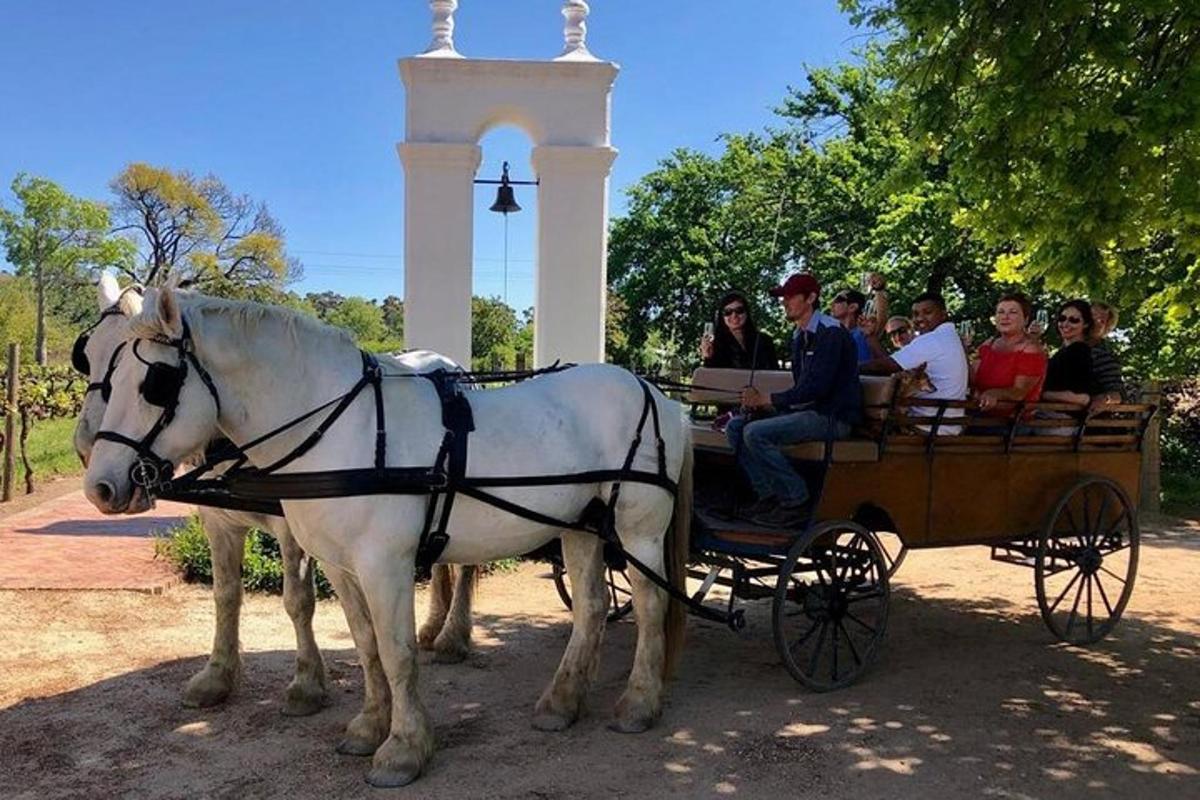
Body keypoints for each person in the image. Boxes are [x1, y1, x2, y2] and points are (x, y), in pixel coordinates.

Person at [725, 273, 862, 528]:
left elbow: (817, 389)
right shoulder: (799, 335)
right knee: (735, 427)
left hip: (832, 416)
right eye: (783, 298)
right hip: (809, 412)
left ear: (810, 298)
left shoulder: (831, 333)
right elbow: (802, 388)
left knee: (755, 433)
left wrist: (767, 399)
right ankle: (768, 496)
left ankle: (796, 499)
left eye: (790, 297)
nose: (785, 303)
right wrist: (763, 404)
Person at [859, 292, 969, 434]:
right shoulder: (950, 337)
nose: (920, 318)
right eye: (916, 314)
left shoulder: (933, 339)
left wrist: (846, 367)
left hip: (926, 424)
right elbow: (892, 365)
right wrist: (870, 337)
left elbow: (887, 366)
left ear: (943, 314)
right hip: (946, 423)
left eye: (927, 312)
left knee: (856, 419)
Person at [970, 292, 1048, 414]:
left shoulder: (1030, 349)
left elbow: (1018, 392)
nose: (1005, 317)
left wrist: (993, 393)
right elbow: (971, 379)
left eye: (1013, 312)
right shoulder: (988, 344)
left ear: (1026, 319)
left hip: (1011, 423)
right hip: (979, 413)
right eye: (1001, 312)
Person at [699, 290, 780, 371]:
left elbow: (775, 374)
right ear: (722, 316)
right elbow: (711, 378)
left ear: (747, 313)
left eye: (739, 310)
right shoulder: (715, 344)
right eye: (728, 312)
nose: (734, 315)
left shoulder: (764, 341)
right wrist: (708, 357)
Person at [831, 288, 887, 363]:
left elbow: (881, 318)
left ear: (852, 307)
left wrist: (879, 290)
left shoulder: (865, 332)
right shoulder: (830, 335)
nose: (832, 304)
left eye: (838, 300)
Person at [1089, 301, 1124, 401]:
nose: (1094, 322)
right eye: (1092, 316)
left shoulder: (1103, 356)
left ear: (1107, 329)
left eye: (1101, 321)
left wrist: (1104, 399)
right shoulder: (1065, 349)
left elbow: (1118, 394)